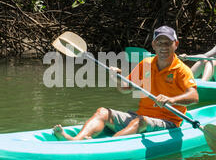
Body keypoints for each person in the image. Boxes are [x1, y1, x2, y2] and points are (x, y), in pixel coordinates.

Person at [53, 25, 199, 141]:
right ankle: (76, 140)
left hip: (168, 121)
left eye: (168, 43)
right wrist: (116, 78)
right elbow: (125, 89)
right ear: (154, 45)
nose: (164, 47)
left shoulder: (181, 70)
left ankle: (105, 146)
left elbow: (194, 96)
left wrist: (171, 100)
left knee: (139, 122)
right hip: (141, 116)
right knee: (102, 112)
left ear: (176, 44)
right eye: (160, 43)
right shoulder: (145, 64)